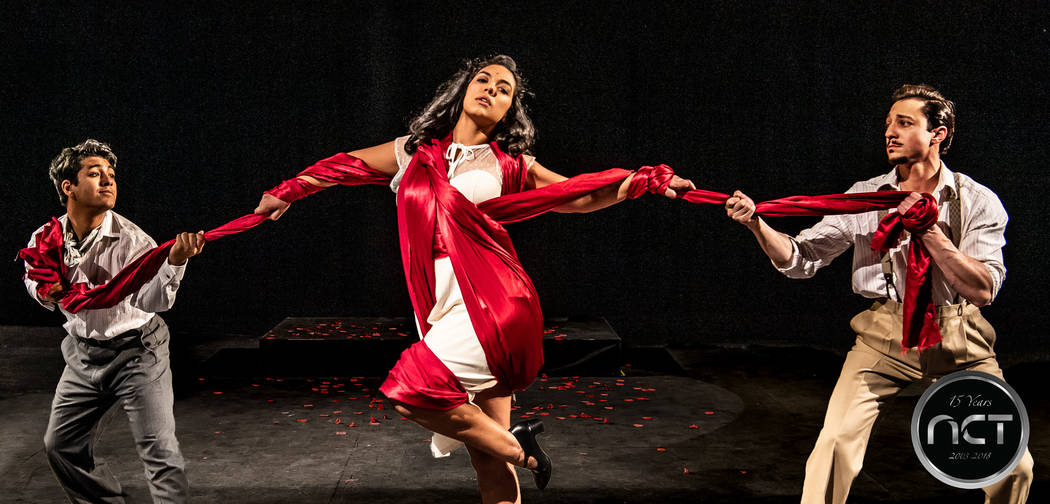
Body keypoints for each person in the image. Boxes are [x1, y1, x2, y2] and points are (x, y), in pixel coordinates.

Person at [254, 55, 694, 504]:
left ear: (509, 111)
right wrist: (287, 191)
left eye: (504, 89)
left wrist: (650, 181)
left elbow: (580, 195)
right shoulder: (414, 151)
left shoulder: (511, 164)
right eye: (483, 80)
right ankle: (511, 447)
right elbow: (344, 166)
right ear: (463, 90)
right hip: (441, 307)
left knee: (413, 393)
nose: (491, 89)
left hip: (495, 301)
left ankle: (521, 449)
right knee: (486, 457)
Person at [725, 84, 1033, 503]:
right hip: (885, 337)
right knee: (833, 446)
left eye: (905, 123)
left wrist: (929, 231)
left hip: (962, 340)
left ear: (937, 134)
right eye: (889, 123)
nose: (890, 132)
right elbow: (801, 258)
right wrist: (757, 225)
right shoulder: (866, 197)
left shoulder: (978, 201)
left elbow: (982, 290)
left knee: (1015, 467)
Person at [22, 139, 205, 503]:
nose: (108, 181)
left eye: (111, 175)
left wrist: (176, 262)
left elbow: (153, 300)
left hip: (137, 352)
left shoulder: (133, 242)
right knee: (60, 446)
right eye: (95, 174)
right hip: (82, 355)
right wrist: (43, 292)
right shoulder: (46, 238)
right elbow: (31, 275)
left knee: (160, 453)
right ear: (68, 187)